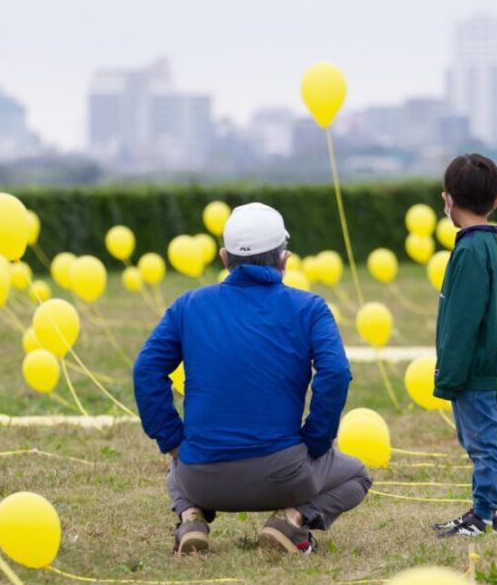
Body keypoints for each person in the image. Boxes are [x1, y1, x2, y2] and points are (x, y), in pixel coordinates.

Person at [133, 202, 372, 555]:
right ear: (284, 259)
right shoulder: (310, 307)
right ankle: (292, 522)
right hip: (284, 477)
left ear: (224, 257)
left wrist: (171, 439)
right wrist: (317, 441)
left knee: (177, 465)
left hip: (200, 480)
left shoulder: (188, 305)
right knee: (358, 476)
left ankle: (190, 517)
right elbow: (335, 372)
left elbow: (145, 370)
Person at [431, 154, 497, 537]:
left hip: (471, 369)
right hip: (482, 366)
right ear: (495, 201)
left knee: (483, 444)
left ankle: (484, 513)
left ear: (447, 200)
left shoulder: (469, 252)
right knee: (476, 439)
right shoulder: (490, 247)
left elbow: (462, 323)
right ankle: (482, 508)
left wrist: (449, 373)